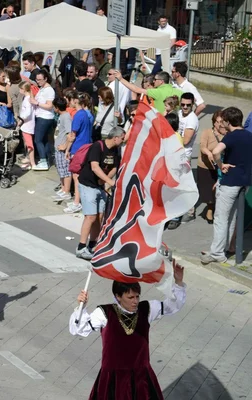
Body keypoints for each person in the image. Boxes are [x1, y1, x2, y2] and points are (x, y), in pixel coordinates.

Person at [70, 265, 186, 399]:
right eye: (130, 297)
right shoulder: (104, 313)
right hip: (113, 380)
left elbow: (171, 306)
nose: (135, 301)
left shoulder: (147, 309)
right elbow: (78, 329)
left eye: (137, 296)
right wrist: (81, 307)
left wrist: (178, 283)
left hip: (141, 378)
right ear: (118, 296)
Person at [202, 107, 252, 264]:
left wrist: (221, 164)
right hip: (245, 182)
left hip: (230, 182)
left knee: (221, 218)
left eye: (223, 120)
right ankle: (224, 249)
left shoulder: (230, 137)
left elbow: (216, 151)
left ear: (228, 122)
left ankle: (217, 253)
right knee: (232, 217)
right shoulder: (249, 135)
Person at [75, 127, 124, 259]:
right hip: (88, 185)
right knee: (90, 217)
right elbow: (94, 167)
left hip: (99, 187)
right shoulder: (97, 146)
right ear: (116, 137)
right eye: (122, 138)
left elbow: (115, 166)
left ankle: (93, 244)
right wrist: (109, 181)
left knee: (99, 217)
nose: (123, 141)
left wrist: (105, 181)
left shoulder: (116, 150)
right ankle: (81, 247)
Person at [197, 111, 226, 224]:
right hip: (206, 166)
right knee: (209, 192)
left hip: (219, 167)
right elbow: (203, 147)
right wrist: (209, 153)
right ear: (214, 123)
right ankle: (210, 210)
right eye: (217, 122)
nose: (220, 124)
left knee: (219, 192)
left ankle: (217, 211)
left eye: (222, 122)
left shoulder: (226, 135)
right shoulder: (207, 132)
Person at [30, 69, 55, 171]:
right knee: (44, 140)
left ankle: (44, 160)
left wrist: (36, 103)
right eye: (37, 79)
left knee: (38, 140)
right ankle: (46, 159)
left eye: (40, 80)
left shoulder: (49, 90)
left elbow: (49, 105)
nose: (38, 81)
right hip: (42, 116)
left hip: (45, 117)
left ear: (46, 79)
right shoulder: (43, 88)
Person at [52, 97, 72, 201]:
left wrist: (65, 146)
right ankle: (63, 188)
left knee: (65, 170)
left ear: (56, 108)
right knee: (60, 169)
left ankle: (67, 191)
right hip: (58, 146)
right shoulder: (62, 116)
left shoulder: (66, 117)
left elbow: (70, 134)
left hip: (62, 149)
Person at [18, 80, 36, 170]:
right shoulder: (28, 98)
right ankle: (30, 161)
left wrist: (21, 119)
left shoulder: (27, 99)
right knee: (27, 143)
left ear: (23, 89)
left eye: (20, 89)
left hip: (27, 125)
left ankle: (32, 163)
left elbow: (27, 113)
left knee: (29, 145)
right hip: (27, 124)